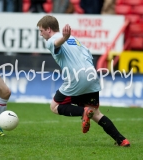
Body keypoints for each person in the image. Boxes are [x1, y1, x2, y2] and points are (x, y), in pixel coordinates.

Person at [36, 15, 130, 147]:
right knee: (96, 113)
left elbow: (56, 44)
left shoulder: (52, 40)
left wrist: (63, 38)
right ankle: (122, 140)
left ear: (48, 29)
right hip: (92, 75)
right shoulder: (75, 40)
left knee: (54, 106)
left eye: (41, 31)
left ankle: (83, 111)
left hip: (76, 77)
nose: (40, 34)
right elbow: (88, 55)